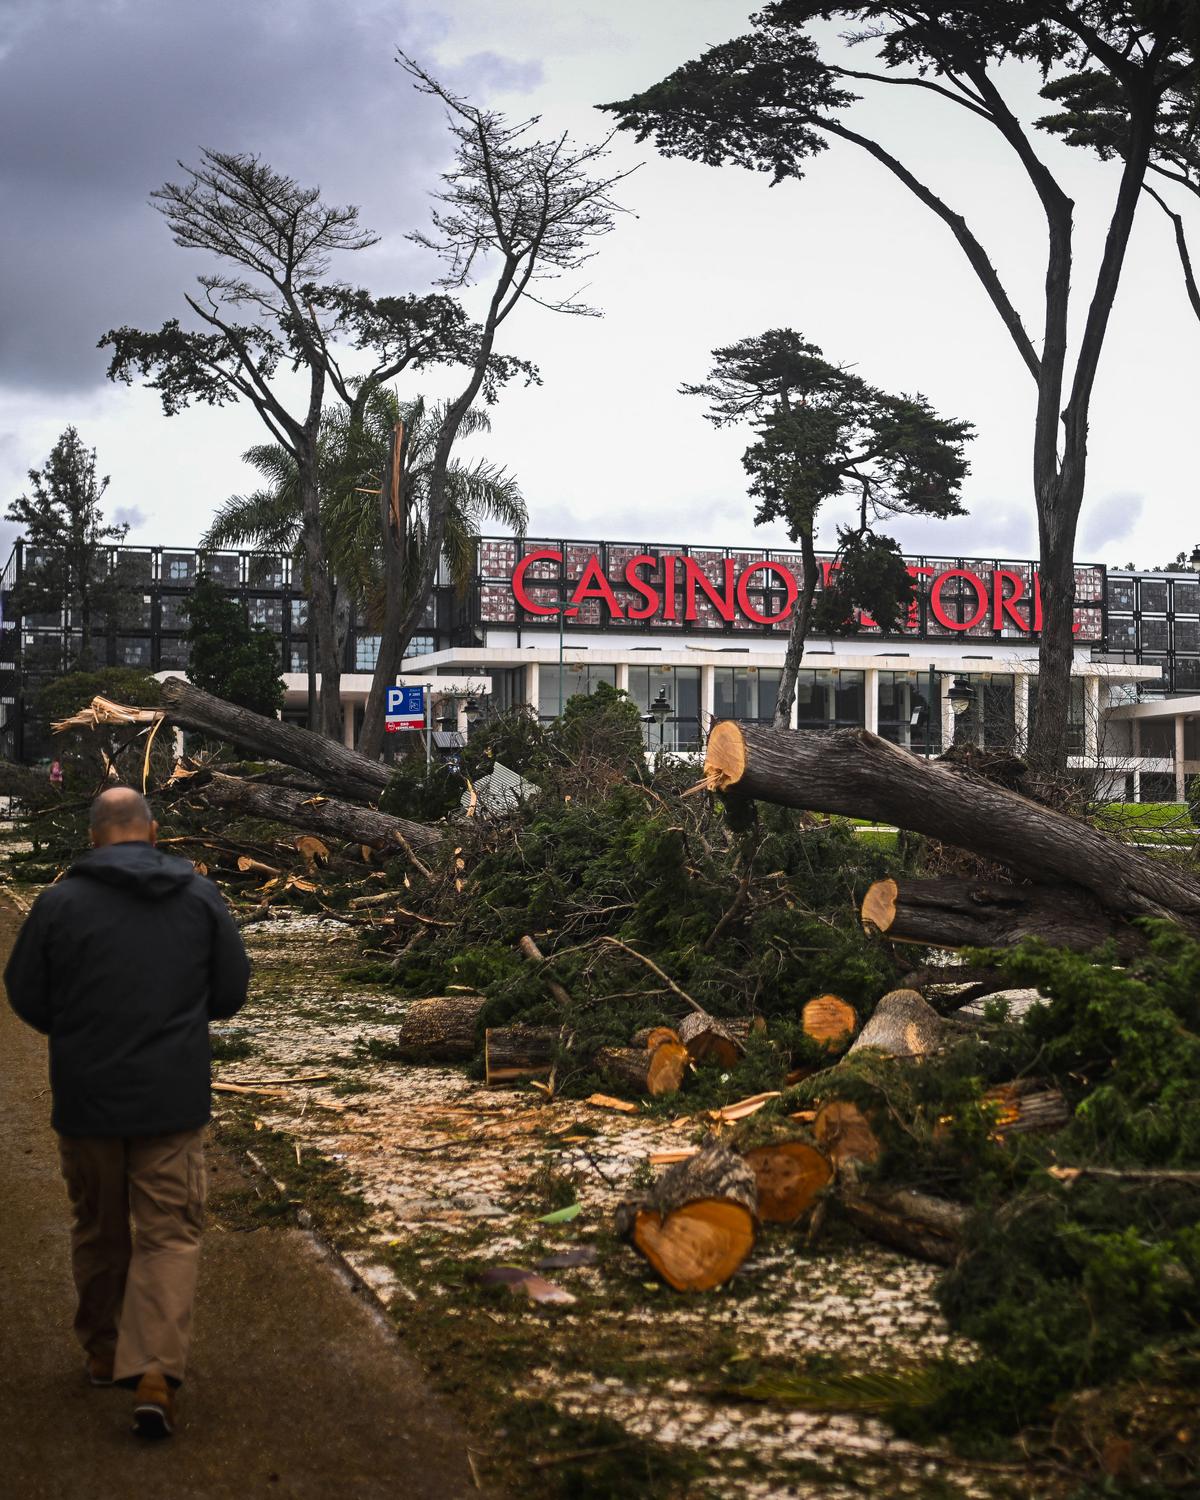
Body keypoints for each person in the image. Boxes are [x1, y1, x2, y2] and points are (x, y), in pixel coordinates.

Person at [4, 786, 250, 1439]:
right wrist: (181, 1022)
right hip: (171, 1099)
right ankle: (154, 1374)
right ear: (154, 831)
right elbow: (231, 990)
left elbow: (24, 992)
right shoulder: (198, 896)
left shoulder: (58, 904)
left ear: (93, 837)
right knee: (168, 1233)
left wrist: (75, 1032)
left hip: (86, 1098)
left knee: (99, 1227)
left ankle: (103, 1351)